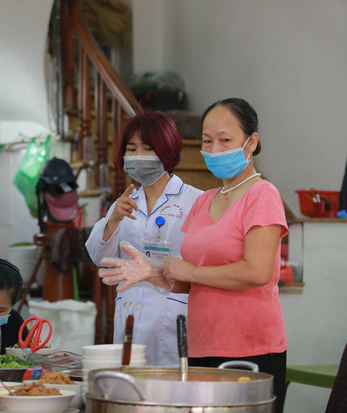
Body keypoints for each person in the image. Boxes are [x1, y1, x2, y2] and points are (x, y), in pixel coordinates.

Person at [99, 98, 289, 413]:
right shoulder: (206, 200)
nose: (214, 149)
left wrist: (187, 272)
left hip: (249, 346)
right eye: (207, 141)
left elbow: (256, 272)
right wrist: (152, 273)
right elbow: (189, 280)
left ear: (251, 142)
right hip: (200, 344)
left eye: (225, 140)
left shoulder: (262, 194)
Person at [85, 110, 203, 366]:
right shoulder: (124, 202)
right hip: (130, 313)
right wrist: (113, 218)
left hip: (172, 313)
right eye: (132, 148)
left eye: (149, 148)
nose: (139, 156)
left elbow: (203, 265)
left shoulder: (196, 201)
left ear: (167, 151)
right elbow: (99, 256)